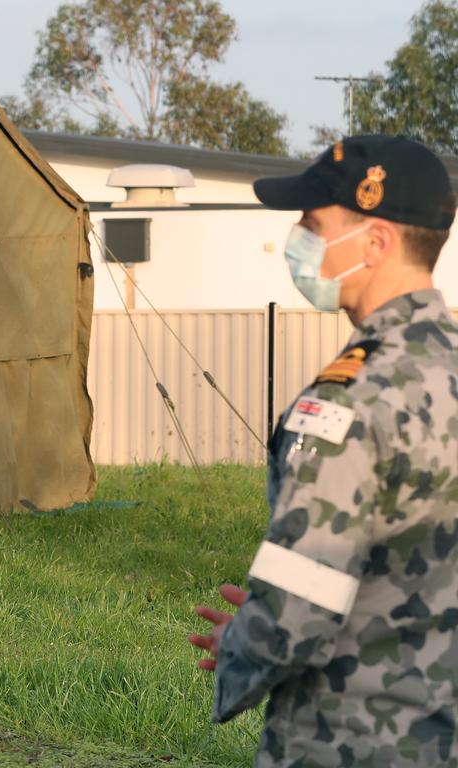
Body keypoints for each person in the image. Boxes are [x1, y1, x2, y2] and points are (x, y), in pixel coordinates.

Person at [190, 135, 458, 767]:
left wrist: (242, 644)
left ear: (376, 241)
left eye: (313, 224)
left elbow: (298, 606)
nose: (299, 240)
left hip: (355, 738)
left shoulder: (347, 400)